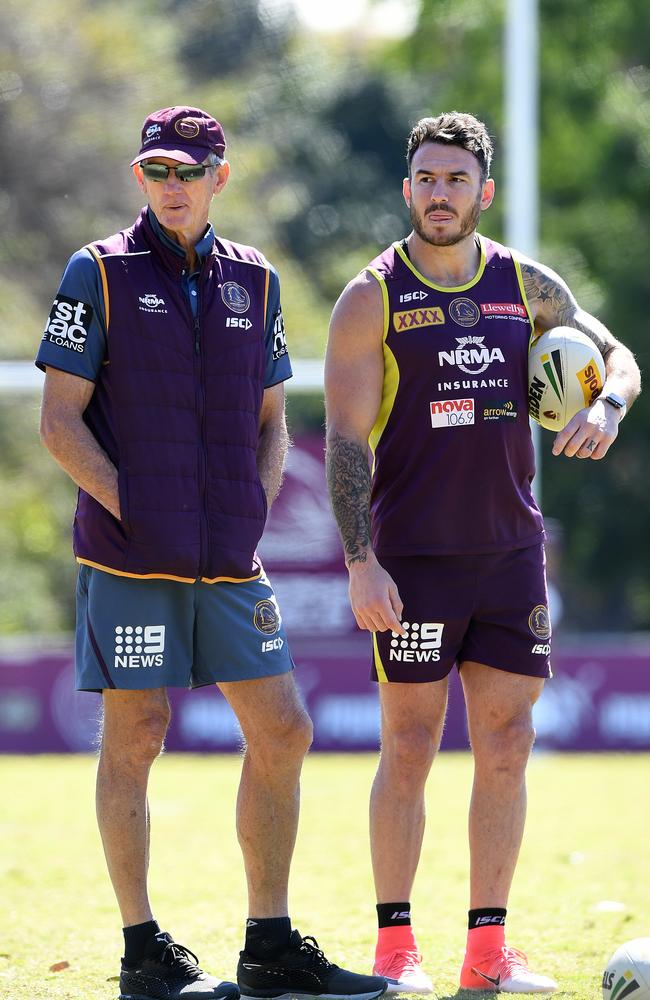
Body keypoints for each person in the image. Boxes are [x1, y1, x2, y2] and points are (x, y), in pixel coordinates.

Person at [37, 105, 387, 1000]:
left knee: (284, 729)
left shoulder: (257, 280)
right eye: (157, 171)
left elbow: (272, 424)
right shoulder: (99, 271)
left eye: (188, 171)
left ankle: (268, 948)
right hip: (128, 557)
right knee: (137, 736)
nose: (173, 186)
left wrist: (255, 502)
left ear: (219, 177)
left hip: (229, 557)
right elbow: (60, 423)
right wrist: (139, 510)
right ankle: (143, 955)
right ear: (140, 177)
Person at [324, 111, 641, 994]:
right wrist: (361, 557)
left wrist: (606, 406)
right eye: (425, 179)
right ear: (407, 190)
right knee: (410, 748)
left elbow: (619, 357)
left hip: (510, 553)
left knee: (506, 743)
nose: (439, 193)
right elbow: (346, 437)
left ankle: (487, 954)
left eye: (455, 180)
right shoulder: (371, 295)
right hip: (414, 559)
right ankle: (397, 955)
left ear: (483, 192)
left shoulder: (523, 283)